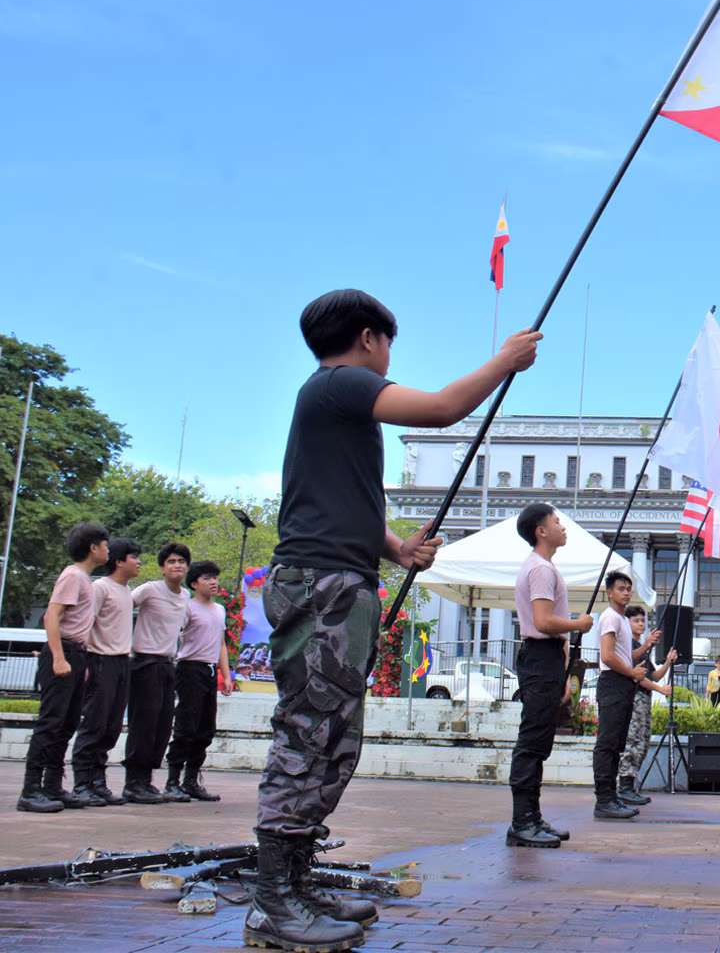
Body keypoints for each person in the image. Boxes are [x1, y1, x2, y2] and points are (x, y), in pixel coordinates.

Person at [247, 289, 539, 952]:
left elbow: (339, 500)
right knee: (309, 737)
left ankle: (294, 884)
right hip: (321, 587)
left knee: (332, 743)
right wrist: (505, 362)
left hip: (337, 581)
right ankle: (273, 902)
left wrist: (396, 549)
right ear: (371, 337)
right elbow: (440, 410)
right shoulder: (340, 383)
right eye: (389, 345)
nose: (388, 359)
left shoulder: (335, 402)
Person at [508, 503, 592, 850]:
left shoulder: (544, 567)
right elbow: (543, 622)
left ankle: (532, 817)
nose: (562, 526)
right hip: (541, 658)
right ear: (540, 531)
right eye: (556, 521)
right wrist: (578, 624)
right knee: (532, 742)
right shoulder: (541, 569)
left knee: (540, 741)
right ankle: (522, 822)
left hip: (548, 659)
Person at [17, 522, 109, 813]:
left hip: (76, 653)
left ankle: (53, 786)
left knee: (67, 724)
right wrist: (58, 657)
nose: (108, 548)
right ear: (93, 548)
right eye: (104, 544)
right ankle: (30, 790)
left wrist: (78, 661)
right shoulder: (73, 576)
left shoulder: (85, 580)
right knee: (51, 722)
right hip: (63, 650)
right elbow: (51, 616)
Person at [70, 537, 143, 807]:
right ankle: (81, 784)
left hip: (123, 661)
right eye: (134, 557)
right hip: (100, 660)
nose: (139, 562)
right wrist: (86, 663)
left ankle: (98, 782)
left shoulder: (127, 592)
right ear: (119, 560)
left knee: (112, 726)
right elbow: (85, 623)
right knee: (94, 723)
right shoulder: (100, 587)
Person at [124, 542, 192, 804]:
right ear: (162, 568)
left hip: (167, 664)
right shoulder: (150, 589)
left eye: (182, 561)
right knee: (143, 722)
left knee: (162, 725)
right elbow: (122, 607)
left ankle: (147, 780)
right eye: (172, 562)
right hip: (144, 662)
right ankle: (133, 782)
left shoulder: (185, 595)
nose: (177, 566)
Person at [165, 560, 234, 802]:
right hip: (189, 668)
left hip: (209, 670)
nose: (213, 582)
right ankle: (172, 781)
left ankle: (191, 780)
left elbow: (221, 644)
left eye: (215, 577)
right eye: (207, 578)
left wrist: (226, 676)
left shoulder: (220, 610)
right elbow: (174, 634)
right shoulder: (188, 607)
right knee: (186, 725)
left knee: (205, 728)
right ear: (194, 584)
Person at [591, 572, 654, 819]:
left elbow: (628, 656)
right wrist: (631, 672)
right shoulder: (609, 618)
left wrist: (646, 646)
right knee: (607, 744)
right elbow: (607, 656)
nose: (626, 592)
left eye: (628, 588)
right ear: (610, 592)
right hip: (613, 684)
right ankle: (604, 800)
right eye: (621, 588)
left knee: (617, 745)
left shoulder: (621, 621)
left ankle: (612, 797)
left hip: (623, 684)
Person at [617, 605, 676, 807]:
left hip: (645, 701)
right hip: (634, 701)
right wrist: (660, 690)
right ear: (627, 623)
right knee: (632, 743)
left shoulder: (640, 648)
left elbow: (652, 675)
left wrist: (668, 662)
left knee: (642, 743)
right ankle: (624, 787)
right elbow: (638, 678)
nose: (641, 624)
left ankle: (630, 786)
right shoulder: (629, 647)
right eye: (636, 620)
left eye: (643, 620)